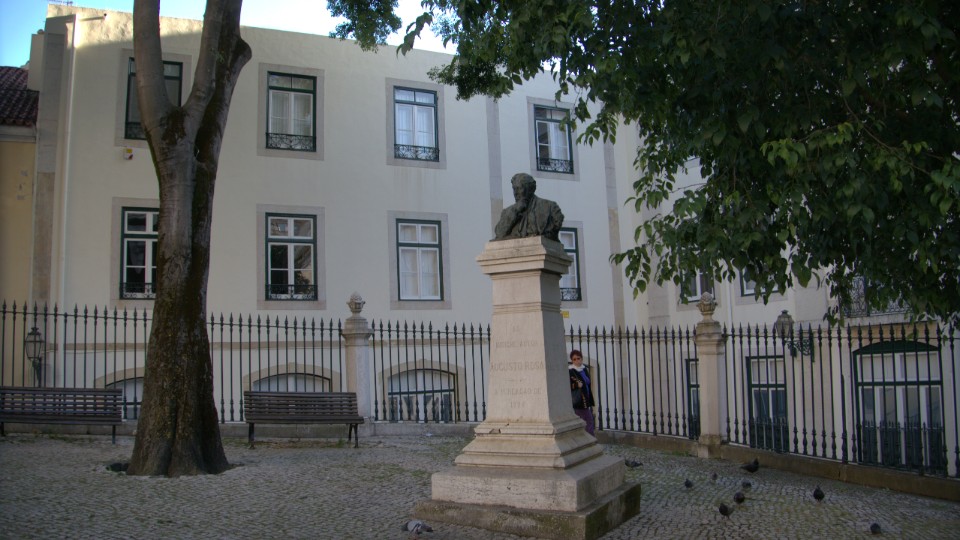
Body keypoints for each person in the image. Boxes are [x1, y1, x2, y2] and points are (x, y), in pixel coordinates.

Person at [494, 173, 564, 241]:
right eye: (514, 189)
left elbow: (555, 226)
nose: (515, 193)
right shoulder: (508, 212)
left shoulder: (550, 207)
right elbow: (499, 233)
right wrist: (515, 211)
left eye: (519, 188)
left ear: (530, 189)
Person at [569, 349, 595, 435]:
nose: (577, 361)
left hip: (586, 399)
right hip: (579, 400)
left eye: (578, 358)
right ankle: (590, 438)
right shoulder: (571, 371)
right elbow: (568, 385)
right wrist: (576, 385)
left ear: (581, 359)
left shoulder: (584, 369)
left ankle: (588, 437)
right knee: (588, 420)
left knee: (587, 420)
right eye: (574, 359)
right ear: (572, 361)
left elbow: (587, 382)